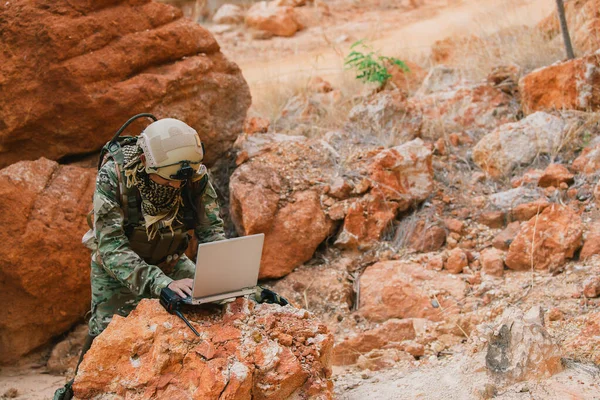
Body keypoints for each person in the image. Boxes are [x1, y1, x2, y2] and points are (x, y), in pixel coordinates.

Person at [54, 116, 226, 400]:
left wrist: (224, 276)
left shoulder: (192, 176)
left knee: (226, 297)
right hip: (118, 268)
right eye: (170, 180)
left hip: (169, 258)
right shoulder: (114, 176)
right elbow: (111, 248)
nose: (176, 187)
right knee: (105, 339)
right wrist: (160, 284)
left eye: (182, 180)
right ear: (148, 164)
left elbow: (211, 230)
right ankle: (76, 391)